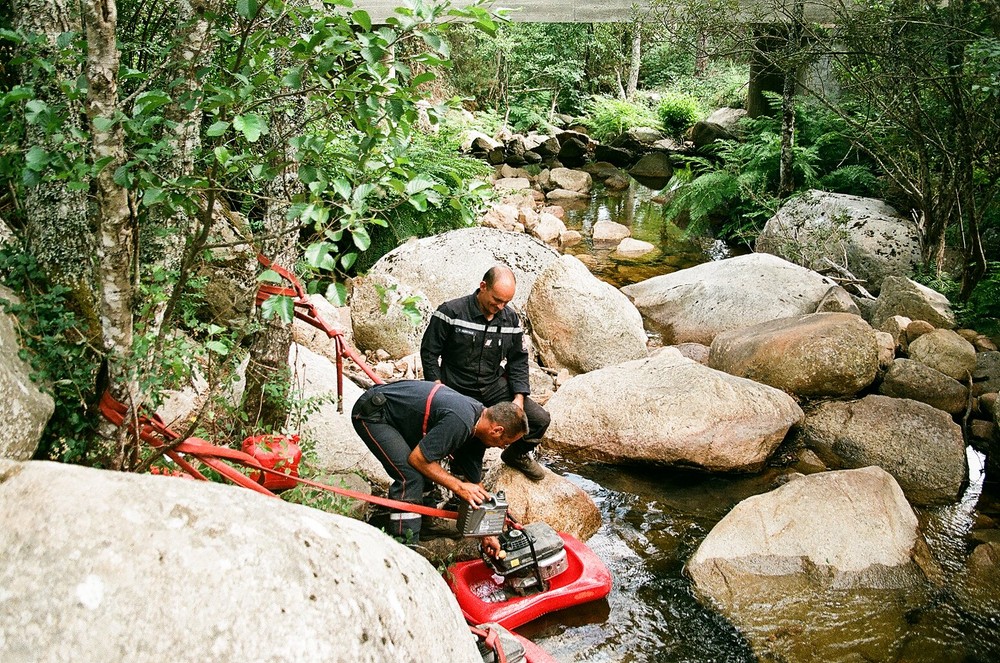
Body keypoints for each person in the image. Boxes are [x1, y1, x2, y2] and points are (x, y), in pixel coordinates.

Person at [352, 379, 528, 549]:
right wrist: (459, 487)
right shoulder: (460, 421)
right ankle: (404, 547)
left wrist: (487, 534)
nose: (502, 447)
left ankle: (426, 523)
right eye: (505, 442)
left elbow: (476, 487)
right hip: (374, 414)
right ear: (497, 430)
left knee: (429, 467)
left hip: (402, 418)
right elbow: (418, 459)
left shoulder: (478, 429)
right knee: (411, 476)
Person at [420, 265, 550, 481]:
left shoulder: (510, 319)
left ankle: (516, 455)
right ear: (483, 287)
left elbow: (518, 360)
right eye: (497, 300)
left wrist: (518, 398)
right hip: (456, 388)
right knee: (471, 444)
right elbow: (429, 353)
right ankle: (461, 476)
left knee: (538, 420)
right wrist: (437, 388)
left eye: (506, 302)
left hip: (493, 386)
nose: (500, 306)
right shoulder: (450, 312)